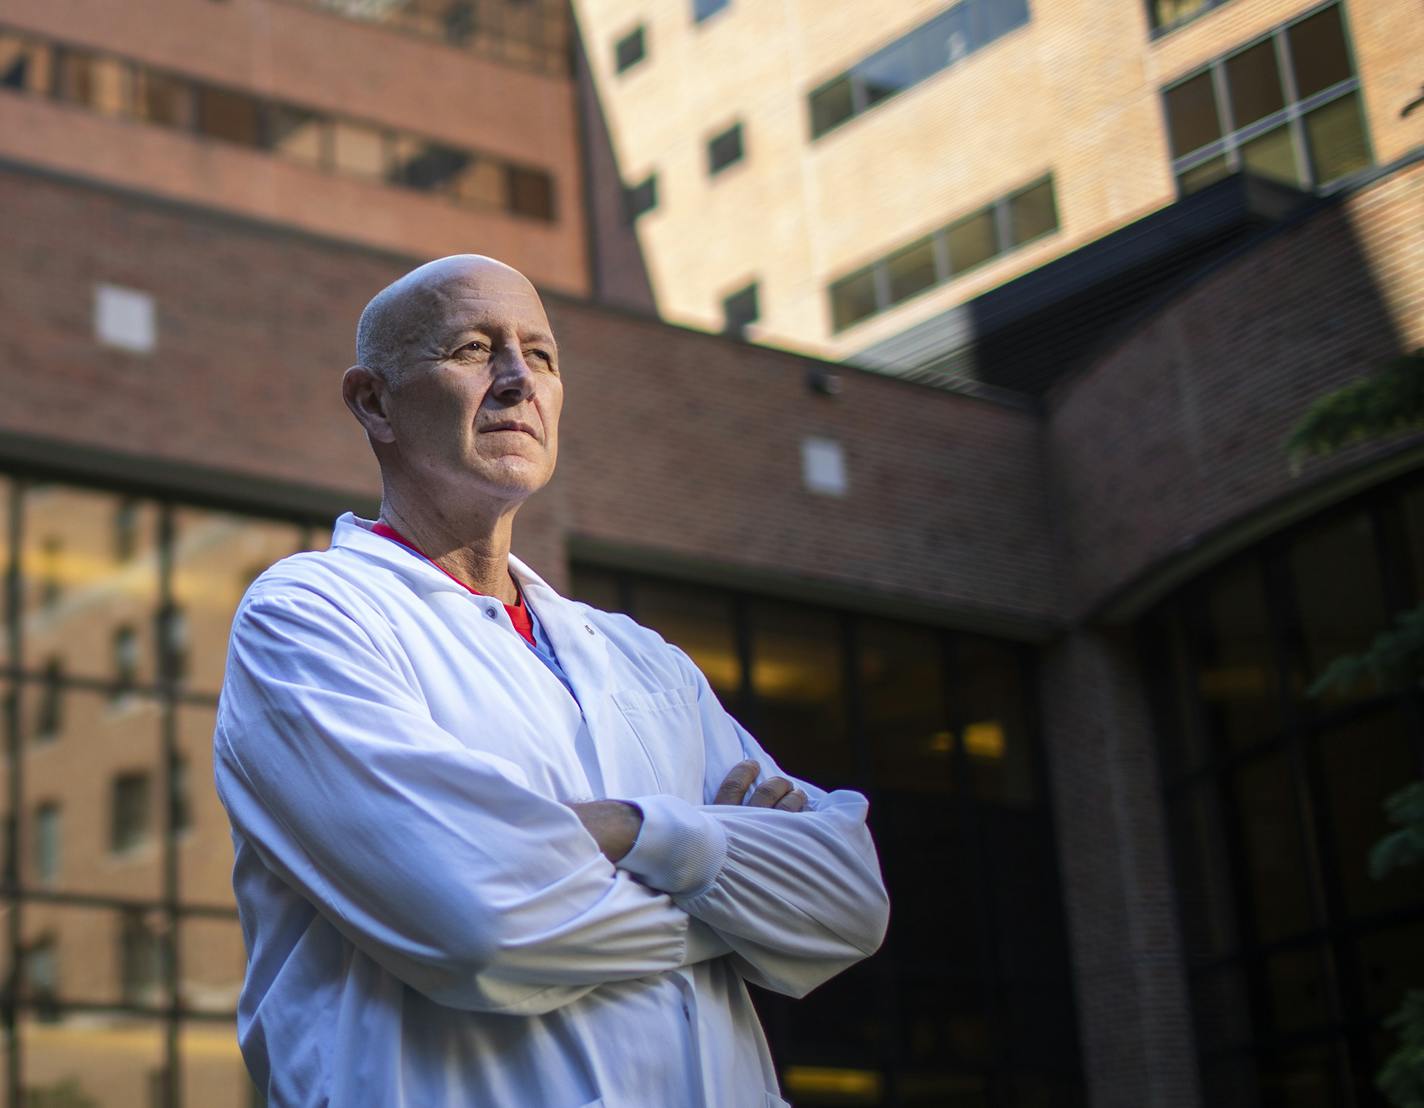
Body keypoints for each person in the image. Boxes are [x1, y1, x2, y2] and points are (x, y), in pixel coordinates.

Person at [214, 254, 889, 1107]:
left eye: (541, 355)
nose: (515, 381)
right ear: (374, 402)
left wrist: (628, 831)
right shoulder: (310, 617)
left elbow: (849, 904)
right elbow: (478, 921)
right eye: (471, 349)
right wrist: (731, 888)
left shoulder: (639, 658)